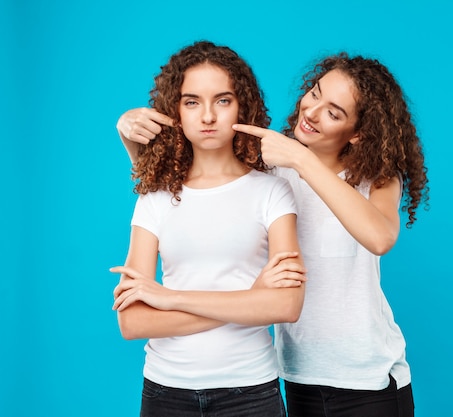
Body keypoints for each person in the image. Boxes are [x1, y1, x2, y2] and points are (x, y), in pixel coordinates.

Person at [117, 52, 428, 417]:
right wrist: (127, 131)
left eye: (334, 112)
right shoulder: (271, 170)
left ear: (359, 133)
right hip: (297, 373)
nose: (311, 112)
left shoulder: (377, 176)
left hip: (367, 378)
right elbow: (187, 191)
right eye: (315, 92)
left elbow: (380, 237)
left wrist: (300, 159)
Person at [110, 40, 306, 417]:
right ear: (175, 111)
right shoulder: (154, 197)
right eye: (192, 102)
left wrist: (171, 298)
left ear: (241, 106)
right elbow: (132, 321)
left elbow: (286, 304)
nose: (208, 116)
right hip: (166, 392)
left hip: (250, 391)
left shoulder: (272, 191)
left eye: (223, 100)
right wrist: (250, 300)